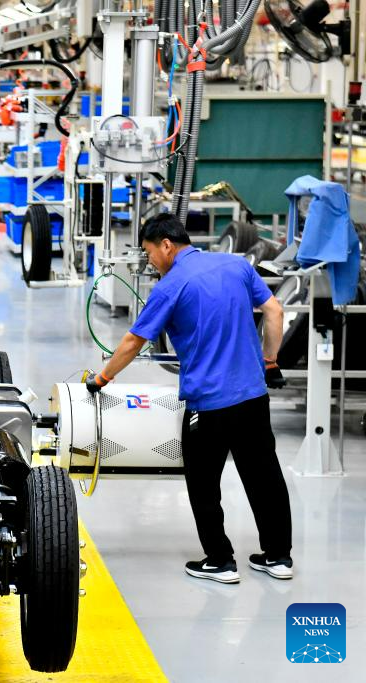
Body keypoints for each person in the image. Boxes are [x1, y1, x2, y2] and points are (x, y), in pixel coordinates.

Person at [87, 213, 293, 584]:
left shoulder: (170, 286)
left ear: (166, 245)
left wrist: (102, 378)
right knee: (264, 476)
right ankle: (278, 557)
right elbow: (275, 311)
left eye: (149, 252)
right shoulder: (236, 265)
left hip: (208, 406)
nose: (150, 261)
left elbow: (133, 341)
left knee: (203, 483)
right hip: (253, 397)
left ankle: (220, 560)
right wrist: (270, 361)